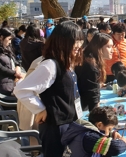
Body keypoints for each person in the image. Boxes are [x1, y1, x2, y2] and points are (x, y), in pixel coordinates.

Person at [13, 21, 85, 157]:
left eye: (81, 40)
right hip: (56, 128)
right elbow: (22, 90)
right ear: (62, 41)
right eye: (75, 41)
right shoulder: (50, 65)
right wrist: (40, 109)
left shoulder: (66, 62)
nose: (79, 45)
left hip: (68, 124)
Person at [61, 106, 126, 157]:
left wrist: (112, 133)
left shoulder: (85, 129)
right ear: (99, 124)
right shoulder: (89, 138)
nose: (109, 132)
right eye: (109, 129)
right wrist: (123, 142)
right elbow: (116, 148)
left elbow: (101, 131)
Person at [75, 33, 113, 111]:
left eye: (112, 46)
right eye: (108, 47)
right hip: (80, 107)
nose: (112, 50)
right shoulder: (90, 64)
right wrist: (96, 116)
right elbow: (93, 94)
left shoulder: (90, 59)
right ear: (99, 48)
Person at [0, 27, 24, 96]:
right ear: (1, 38)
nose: (10, 42)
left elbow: (14, 60)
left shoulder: (5, 47)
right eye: (9, 39)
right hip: (1, 86)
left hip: (11, 82)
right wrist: (15, 73)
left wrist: (17, 67)